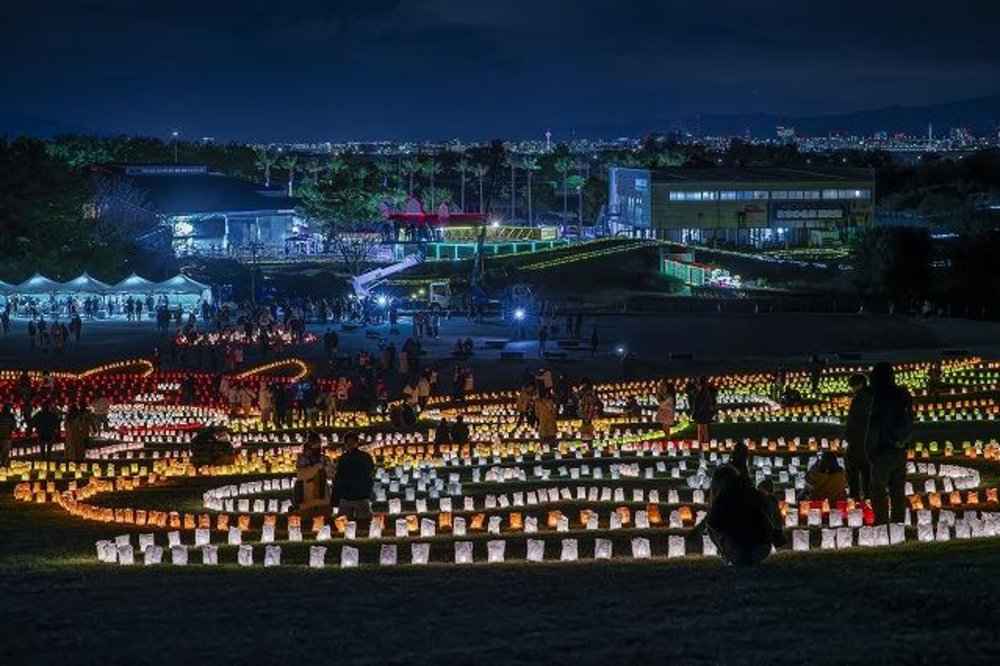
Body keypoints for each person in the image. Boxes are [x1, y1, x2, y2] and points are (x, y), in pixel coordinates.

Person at [864, 362, 914, 525]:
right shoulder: (903, 394)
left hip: (882, 449)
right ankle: (898, 523)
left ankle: (881, 522)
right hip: (900, 448)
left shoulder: (881, 396)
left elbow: (874, 424)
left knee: (878, 489)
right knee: (898, 489)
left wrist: (869, 449)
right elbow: (910, 420)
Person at [705, 464, 775, 566]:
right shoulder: (753, 492)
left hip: (740, 551)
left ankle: (730, 557)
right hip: (763, 547)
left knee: (711, 527)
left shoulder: (723, 499)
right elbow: (768, 516)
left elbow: (712, 524)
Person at [331, 431, 374, 520]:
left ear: (356, 443)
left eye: (352, 442)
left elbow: (369, 473)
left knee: (363, 521)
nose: (350, 444)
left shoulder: (365, 457)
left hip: (360, 495)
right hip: (347, 495)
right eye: (348, 442)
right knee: (345, 522)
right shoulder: (342, 459)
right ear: (345, 444)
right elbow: (339, 477)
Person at [843, 373, 871, 501]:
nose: (852, 389)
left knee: (853, 470)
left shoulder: (860, 398)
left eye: (853, 386)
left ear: (859, 384)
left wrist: (848, 436)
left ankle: (855, 498)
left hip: (858, 440)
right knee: (867, 472)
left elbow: (853, 420)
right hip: (869, 440)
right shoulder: (872, 396)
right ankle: (868, 498)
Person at [294, 432, 335, 516]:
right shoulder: (302, 459)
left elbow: (331, 474)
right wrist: (317, 467)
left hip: (322, 491)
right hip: (306, 492)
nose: (316, 445)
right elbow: (301, 474)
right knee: (308, 520)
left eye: (318, 443)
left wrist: (326, 466)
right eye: (313, 443)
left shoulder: (324, 458)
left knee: (323, 519)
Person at [691, 376, 717, 443]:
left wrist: (695, 413)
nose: (697, 387)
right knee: (703, 429)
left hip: (702, 412)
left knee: (702, 429)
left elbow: (698, 404)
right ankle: (703, 443)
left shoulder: (704, 392)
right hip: (704, 412)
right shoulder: (706, 390)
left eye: (698, 385)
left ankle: (703, 443)